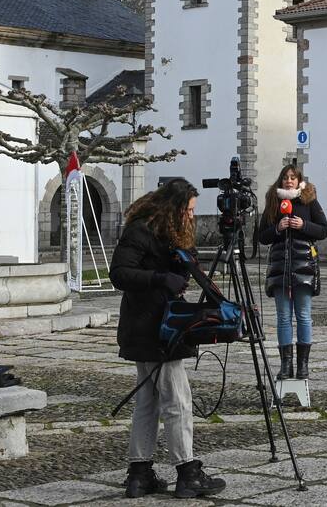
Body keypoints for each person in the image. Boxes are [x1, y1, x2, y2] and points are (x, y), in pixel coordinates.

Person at [109, 178, 227, 500]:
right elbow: (119, 273)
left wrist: (181, 262)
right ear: (173, 208)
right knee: (177, 401)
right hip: (153, 327)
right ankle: (187, 472)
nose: (191, 216)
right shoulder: (141, 230)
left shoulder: (167, 232)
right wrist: (161, 278)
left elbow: (182, 268)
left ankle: (139, 474)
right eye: (188, 210)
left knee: (147, 402)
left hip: (153, 325)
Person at [256, 165, 327, 381]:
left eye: (293, 178)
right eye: (286, 178)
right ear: (281, 180)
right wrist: (278, 228)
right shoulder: (273, 201)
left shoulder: (308, 200)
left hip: (303, 266)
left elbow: (324, 230)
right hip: (280, 268)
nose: (289, 181)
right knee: (283, 317)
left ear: (299, 181)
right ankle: (286, 364)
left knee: (304, 316)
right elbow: (262, 236)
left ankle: (303, 365)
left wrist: (303, 225)